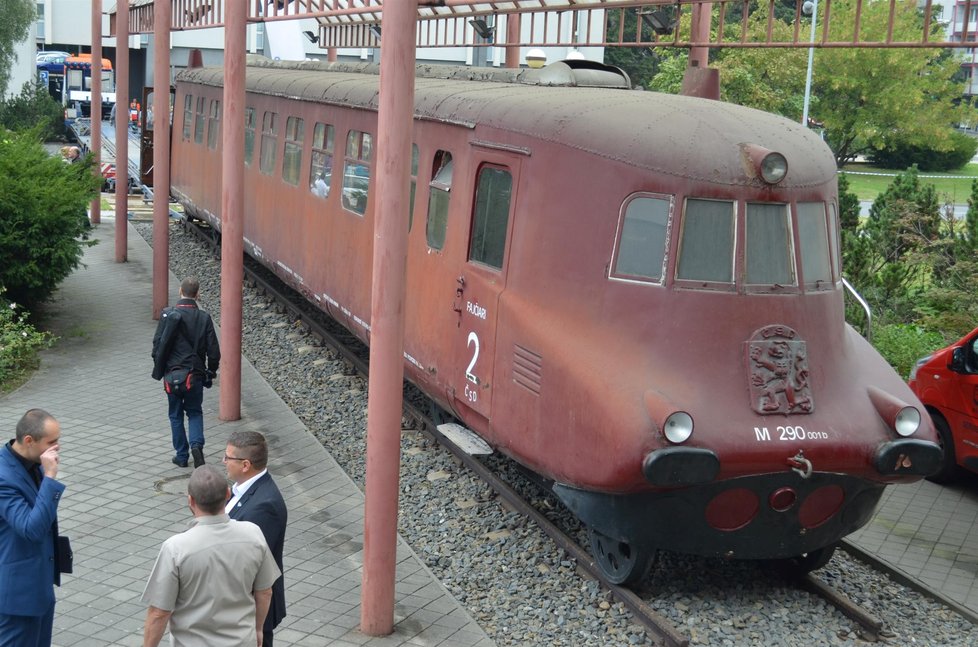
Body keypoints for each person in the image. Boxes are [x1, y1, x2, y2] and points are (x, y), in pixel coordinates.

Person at [141, 465, 280, 647]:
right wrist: (258, 629)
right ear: (228, 494)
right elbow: (265, 591)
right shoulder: (253, 534)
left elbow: (159, 613)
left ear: (190, 500)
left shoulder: (176, 548)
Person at [0, 409, 67, 647]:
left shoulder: (32, 462)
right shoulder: (3, 478)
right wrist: (50, 477)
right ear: (29, 440)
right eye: (52, 442)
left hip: (39, 588)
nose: (56, 448)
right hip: (17, 597)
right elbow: (32, 529)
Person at [224, 432, 288, 646]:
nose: (223, 462)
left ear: (245, 465)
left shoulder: (264, 507)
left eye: (227, 457)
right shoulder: (245, 490)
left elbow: (251, 566)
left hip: (252, 611)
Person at [151, 277, 220, 469]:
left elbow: (157, 346)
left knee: (175, 415)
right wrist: (211, 371)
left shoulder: (167, 314)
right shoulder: (204, 318)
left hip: (171, 375)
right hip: (194, 375)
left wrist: (161, 366)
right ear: (197, 295)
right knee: (195, 412)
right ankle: (197, 445)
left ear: (180, 291)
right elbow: (214, 351)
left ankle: (181, 455)